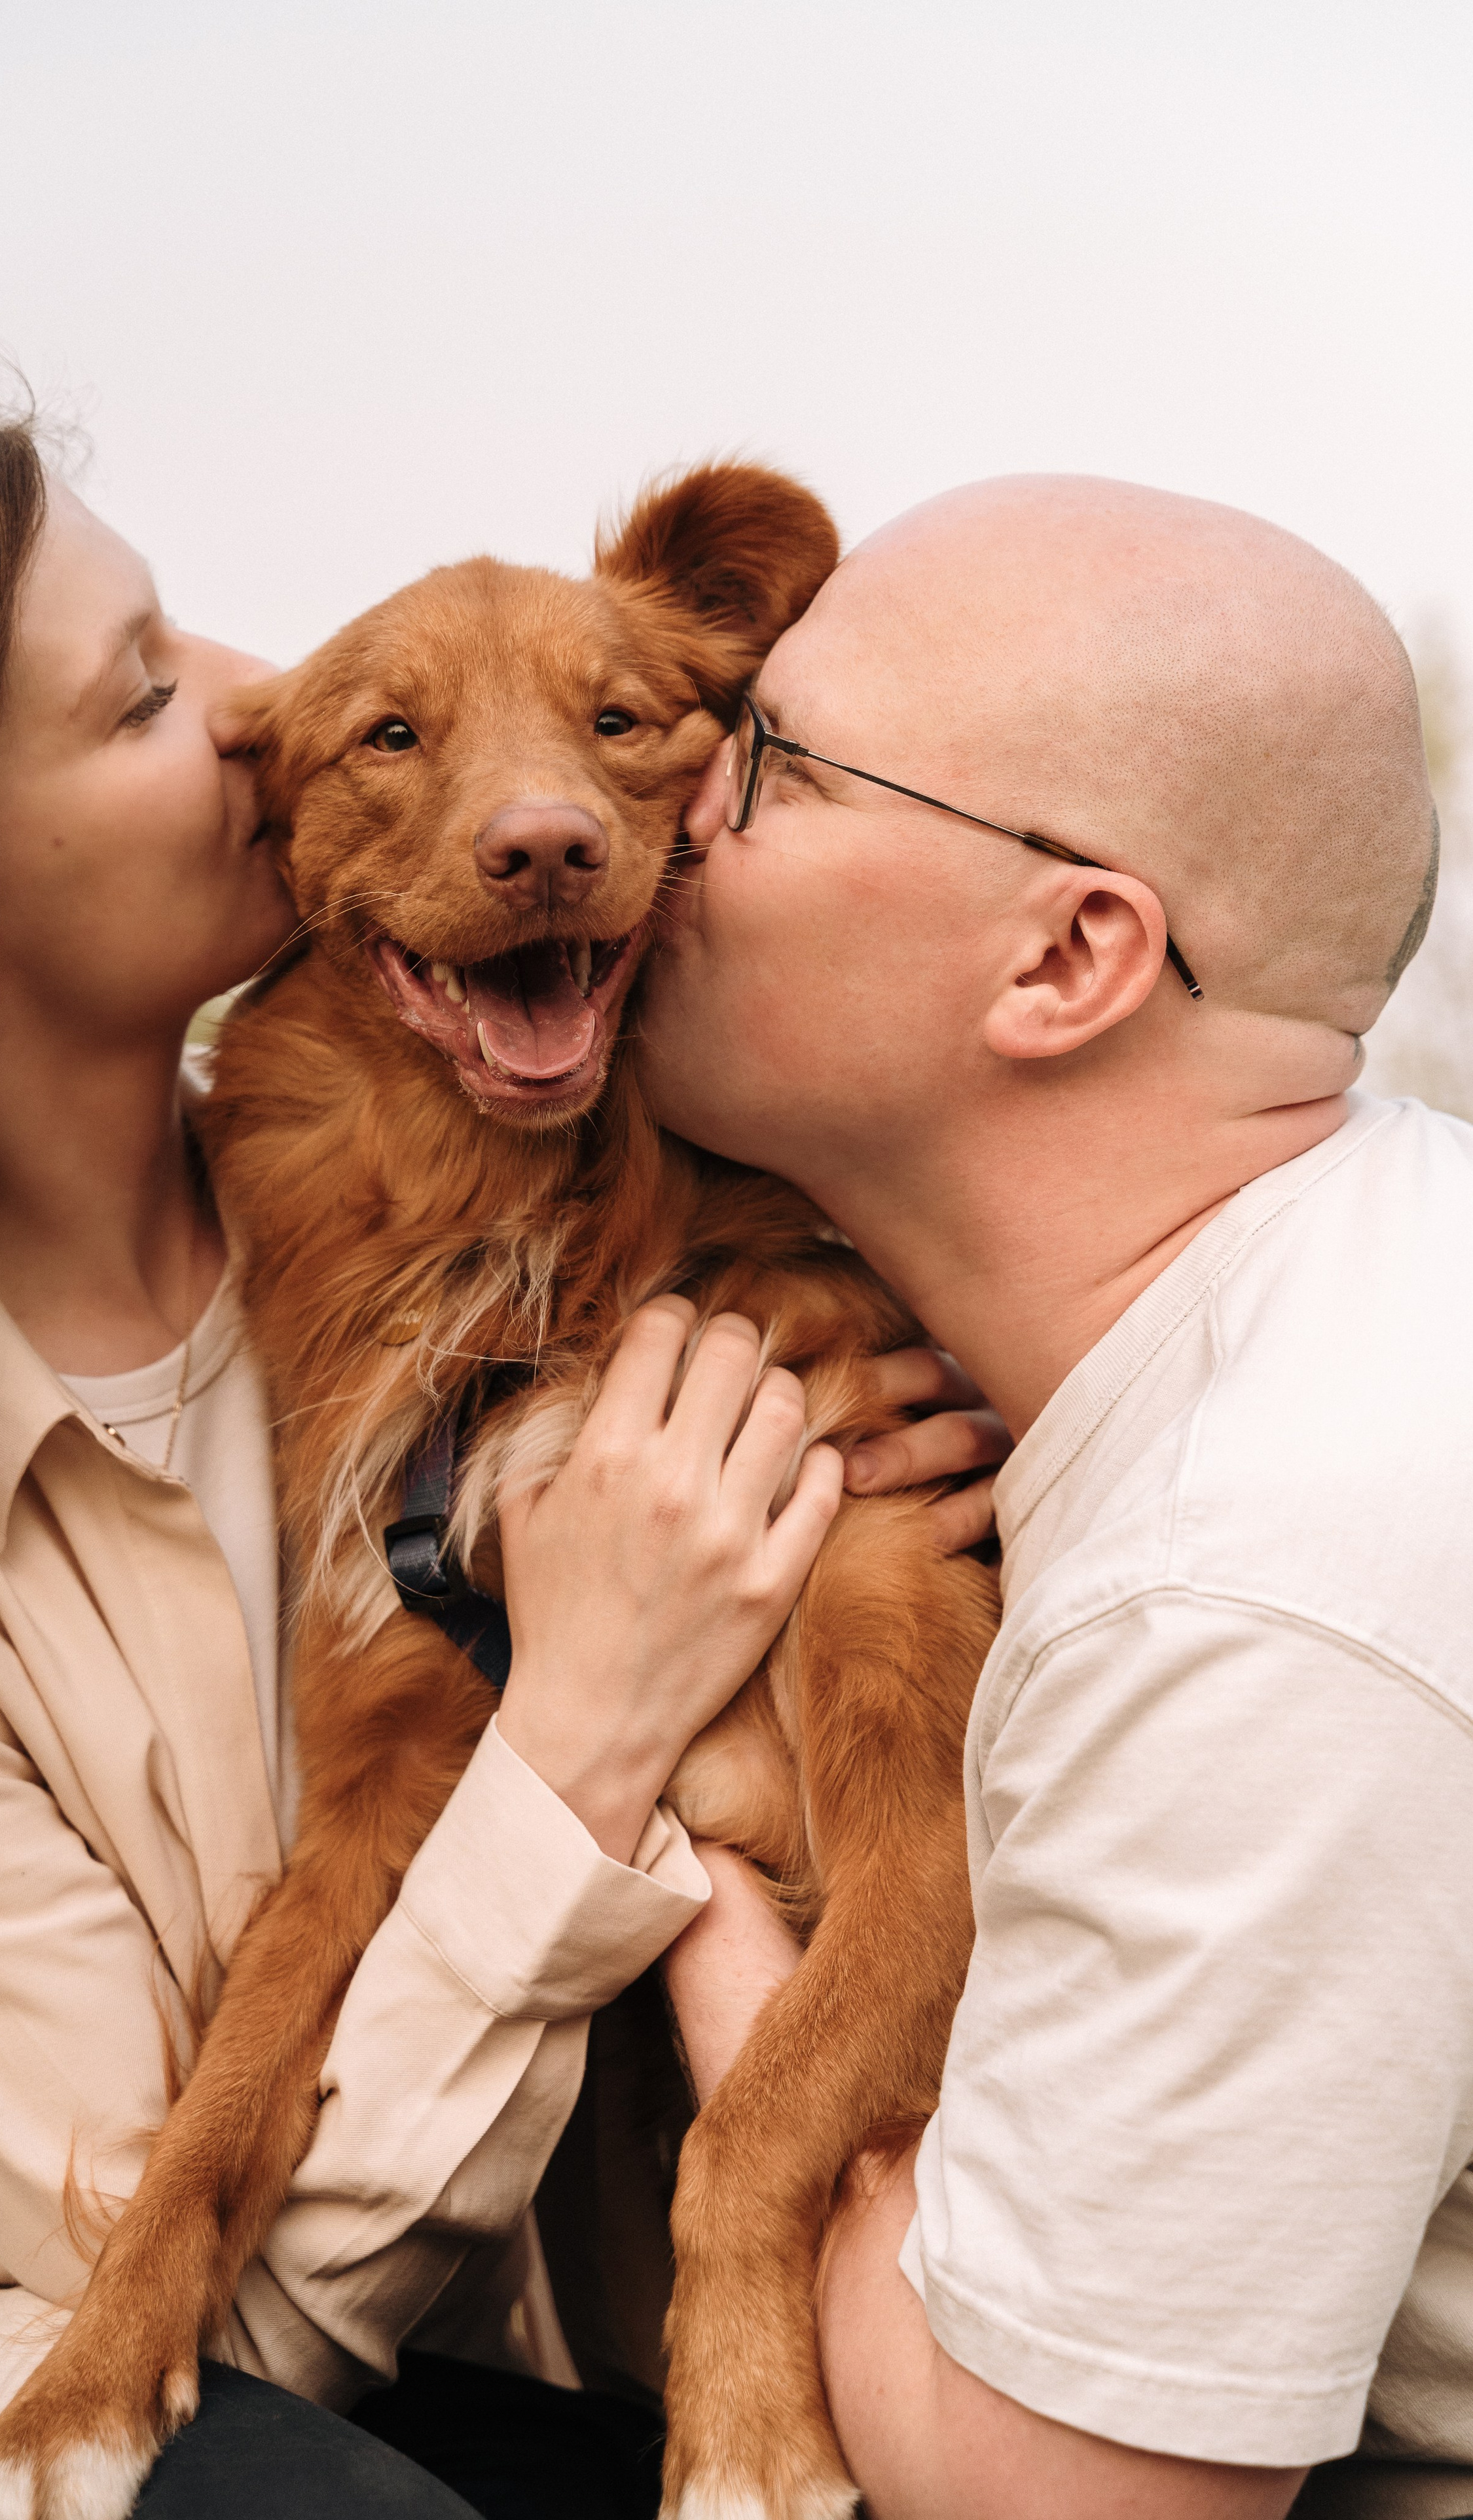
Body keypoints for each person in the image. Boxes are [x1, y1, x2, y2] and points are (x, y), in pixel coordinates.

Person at [0, 413, 1002, 2520]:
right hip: (52, 2386)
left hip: (477, 2312)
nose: (253, 698)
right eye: (150, 692)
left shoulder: (420, 1246)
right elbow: (236, 2333)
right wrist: (598, 1713)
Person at [638, 474, 1473, 2520]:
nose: (662, 803)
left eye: (767, 756)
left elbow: (1050, 2502)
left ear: (1070, 953)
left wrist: (683, 1870)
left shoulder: (1261, 1571)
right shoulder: (1366, 1274)